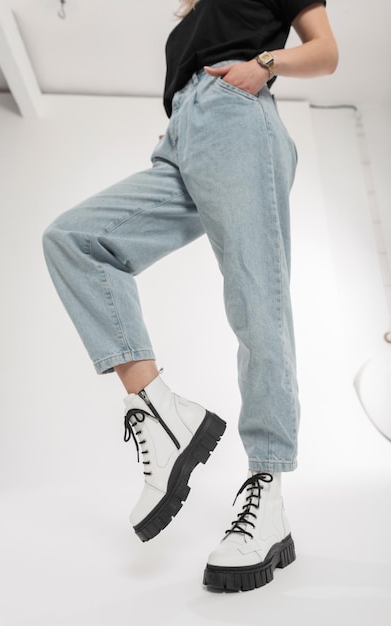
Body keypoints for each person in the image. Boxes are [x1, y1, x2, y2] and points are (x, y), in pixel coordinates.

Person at [43, 0, 338, 592]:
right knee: (74, 239)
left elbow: (325, 53)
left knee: (259, 304)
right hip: (186, 136)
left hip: (238, 119)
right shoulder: (193, 16)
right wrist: (183, 119)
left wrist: (264, 64)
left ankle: (268, 490)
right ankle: (160, 410)